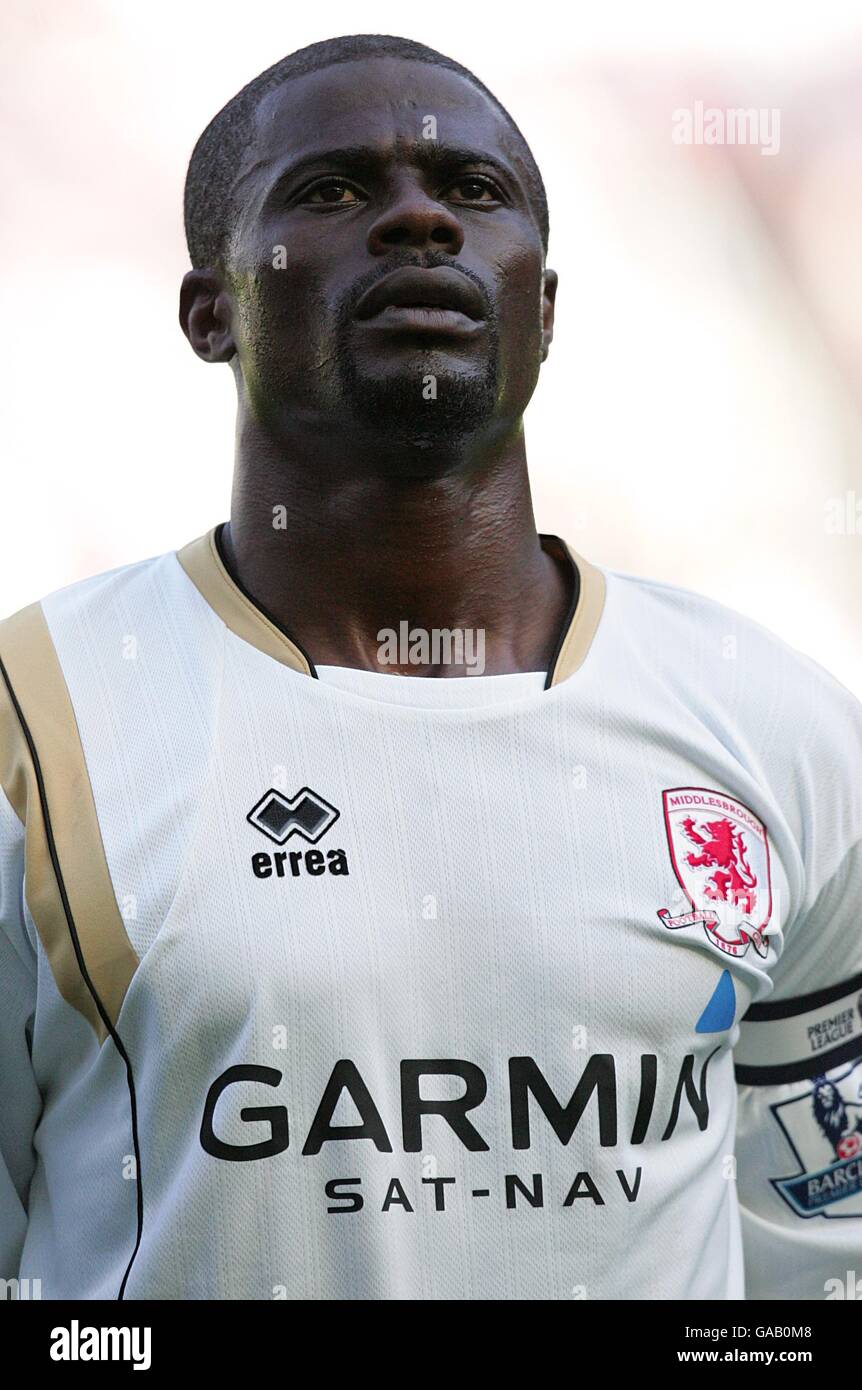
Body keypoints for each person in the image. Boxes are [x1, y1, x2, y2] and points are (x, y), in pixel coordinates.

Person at [1, 33, 860, 1302]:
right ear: (207, 308)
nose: (418, 219)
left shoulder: (769, 720)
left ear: (545, 306)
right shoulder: (39, 719)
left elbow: (815, 1261)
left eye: (471, 191)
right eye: (334, 192)